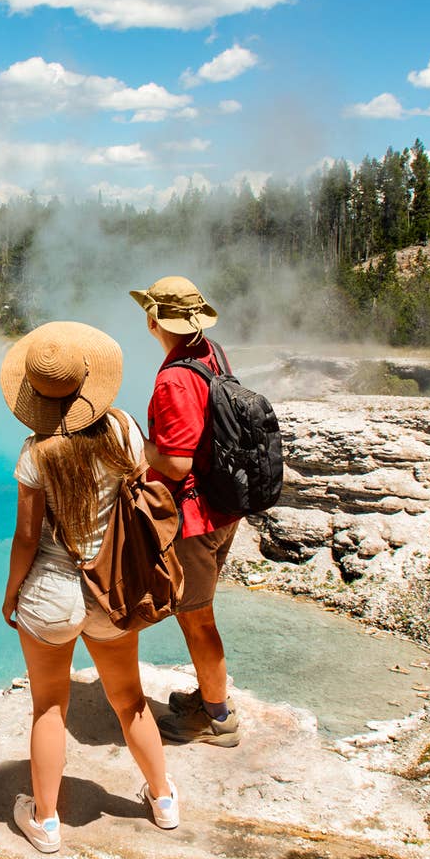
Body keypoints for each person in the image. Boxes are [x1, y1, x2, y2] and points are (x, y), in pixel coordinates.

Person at [0, 320, 180, 853]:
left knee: (49, 707)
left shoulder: (35, 454)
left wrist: (12, 594)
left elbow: (26, 539)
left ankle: (47, 822)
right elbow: (140, 489)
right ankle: (163, 798)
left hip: (51, 596)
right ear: (88, 385)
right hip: (112, 589)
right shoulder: (122, 429)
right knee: (129, 700)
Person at [129, 276, 244, 747]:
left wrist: (140, 445)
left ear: (154, 319)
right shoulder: (209, 352)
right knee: (198, 612)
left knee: (196, 617)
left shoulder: (174, 377)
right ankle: (208, 696)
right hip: (224, 504)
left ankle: (218, 719)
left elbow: (175, 463)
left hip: (194, 519)